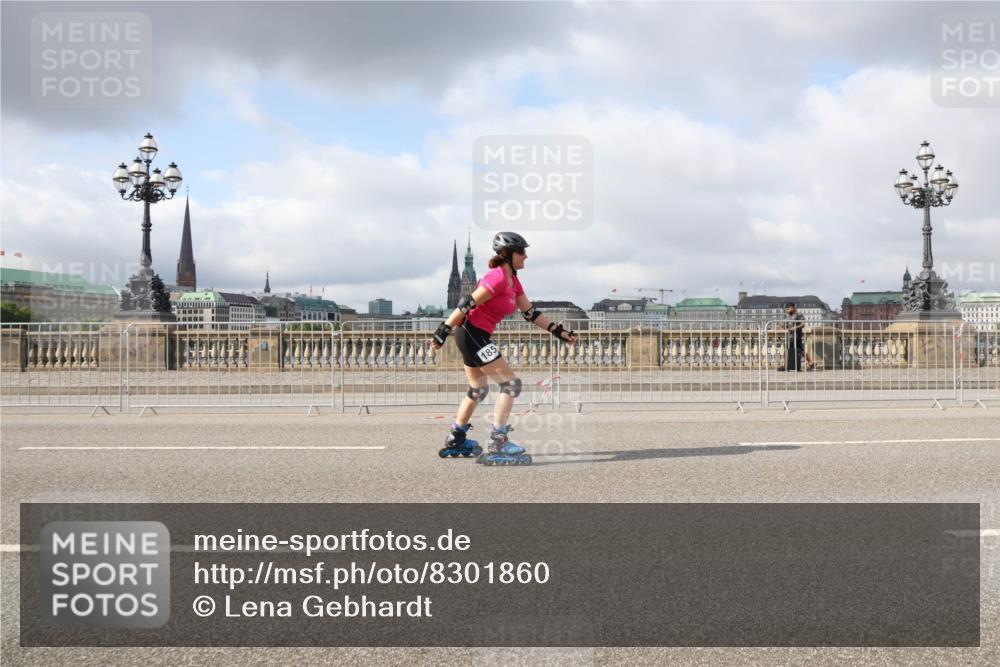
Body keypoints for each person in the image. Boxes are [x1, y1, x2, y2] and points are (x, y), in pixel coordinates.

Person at [430, 232, 577, 466]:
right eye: (521, 252)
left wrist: (558, 331)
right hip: (471, 333)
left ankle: (455, 438)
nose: (525, 256)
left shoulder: (513, 281)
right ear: (508, 255)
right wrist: (443, 330)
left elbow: (530, 313)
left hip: (474, 335)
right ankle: (498, 442)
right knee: (511, 384)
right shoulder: (496, 278)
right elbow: (466, 303)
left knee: (478, 389)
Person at [781, 302, 814, 371]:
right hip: (790, 336)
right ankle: (810, 363)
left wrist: (794, 328)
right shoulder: (788, 315)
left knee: (795, 350)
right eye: (786, 310)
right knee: (799, 350)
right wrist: (783, 325)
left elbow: (803, 324)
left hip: (797, 335)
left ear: (792, 308)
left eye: (788, 309)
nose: (787, 311)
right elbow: (787, 325)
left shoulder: (799, 314)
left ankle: (785, 365)